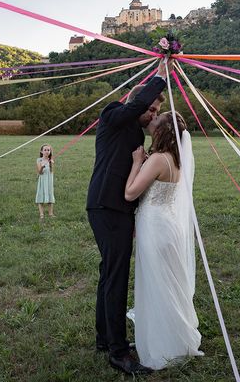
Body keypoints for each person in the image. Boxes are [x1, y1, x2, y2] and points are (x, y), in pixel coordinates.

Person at [86, 57, 170, 376]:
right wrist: (161, 76)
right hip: (106, 206)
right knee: (116, 277)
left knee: (110, 273)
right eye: (150, 109)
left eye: (154, 112)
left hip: (118, 210)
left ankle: (105, 339)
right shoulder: (112, 114)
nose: (152, 115)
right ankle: (119, 353)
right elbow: (136, 106)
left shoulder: (135, 135)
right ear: (136, 101)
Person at [124, 112, 203, 370]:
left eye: (156, 123)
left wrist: (137, 162)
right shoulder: (175, 160)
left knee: (156, 281)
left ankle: (164, 344)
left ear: (163, 132)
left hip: (154, 227)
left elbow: (130, 192)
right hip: (168, 226)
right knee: (169, 281)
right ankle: (177, 337)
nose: (151, 124)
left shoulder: (157, 159)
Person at [35, 144, 55, 219]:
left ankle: (50, 213)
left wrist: (51, 164)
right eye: (45, 150)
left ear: (50, 151)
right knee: (41, 195)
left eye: (48, 150)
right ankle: (41, 214)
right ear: (41, 151)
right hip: (43, 180)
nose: (47, 151)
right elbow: (40, 172)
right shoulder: (39, 160)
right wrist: (42, 167)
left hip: (49, 180)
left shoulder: (51, 160)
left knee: (50, 196)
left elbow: (51, 171)